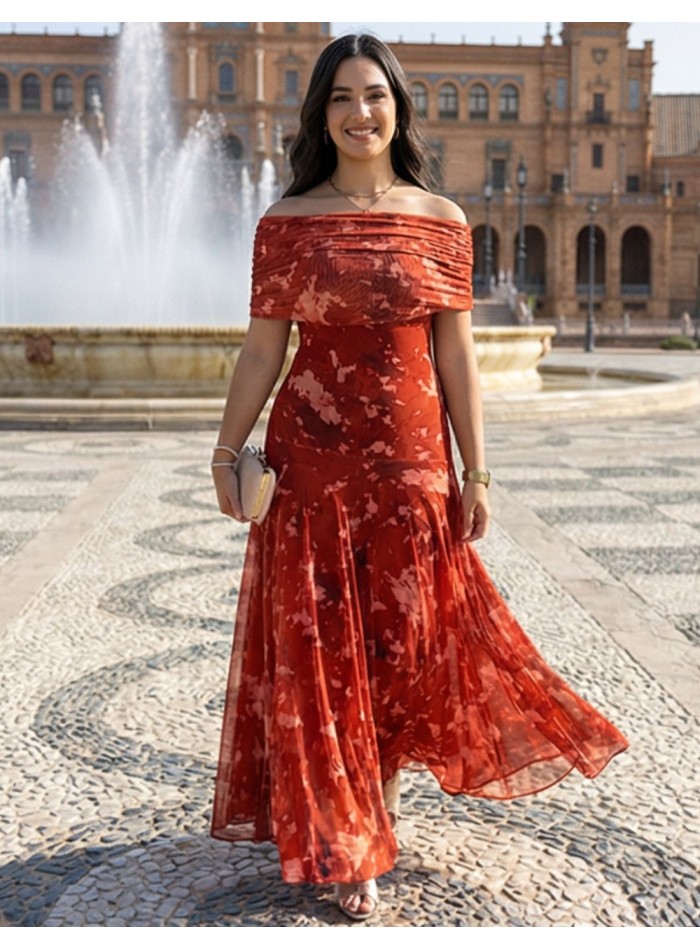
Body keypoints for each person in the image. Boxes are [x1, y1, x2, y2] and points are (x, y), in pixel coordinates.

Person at [210, 33, 628, 922]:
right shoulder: (286, 222)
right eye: (340, 100)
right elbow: (261, 349)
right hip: (310, 460)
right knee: (323, 650)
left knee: (398, 644)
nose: (359, 114)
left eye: (374, 96)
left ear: (398, 106)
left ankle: (375, 801)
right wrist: (225, 449)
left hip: (408, 461)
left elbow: (457, 355)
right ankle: (349, 836)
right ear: (319, 115)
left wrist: (476, 469)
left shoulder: (440, 218)